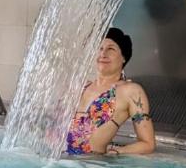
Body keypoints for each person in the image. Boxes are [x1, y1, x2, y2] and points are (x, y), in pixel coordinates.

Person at [66, 27, 156, 156]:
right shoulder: (80, 87)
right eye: (100, 48)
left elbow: (148, 144)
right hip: (58, 161)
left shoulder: (130, 91)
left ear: (124, 57)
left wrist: (117, 151)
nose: (103, 54)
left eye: (111, 49)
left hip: (89, 164)